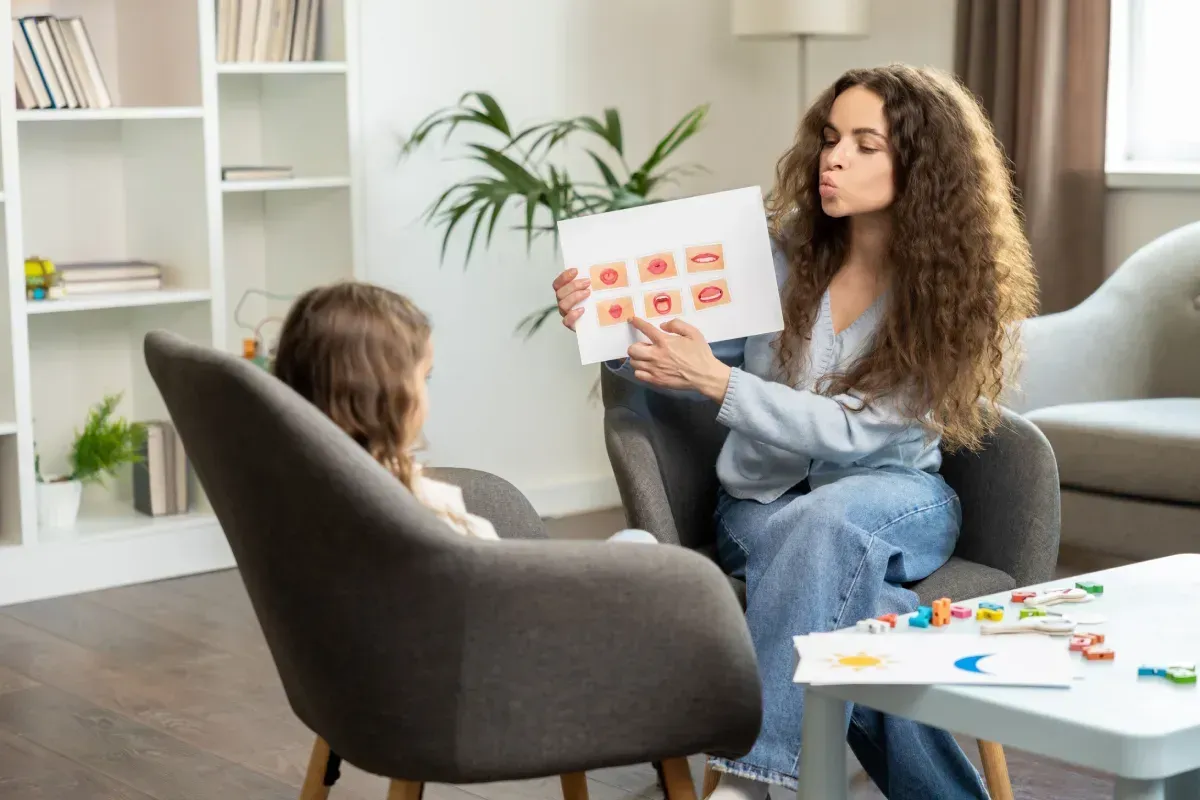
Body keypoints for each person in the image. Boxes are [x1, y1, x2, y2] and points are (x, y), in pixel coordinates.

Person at [551, 64, 1037, 799]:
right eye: (831, 137)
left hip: (897, 500)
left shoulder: (948, 292)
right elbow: (685, 353)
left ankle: (751, 778)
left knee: (826, 520)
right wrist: (605, 318)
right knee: (867, 619)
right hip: (761, 510)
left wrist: (720, 385)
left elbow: (855, 432)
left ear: (922, 166)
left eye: (865, 144)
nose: (833, 157)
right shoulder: (777, 257)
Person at [272, 281, 657, 544]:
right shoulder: (425, 508)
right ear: (389, 397)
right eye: (425, 377)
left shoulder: (295, 493)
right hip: (519, 637)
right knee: (638, 544)